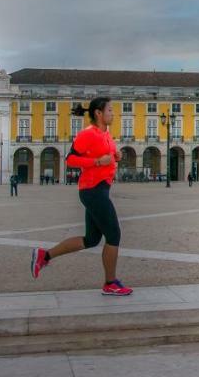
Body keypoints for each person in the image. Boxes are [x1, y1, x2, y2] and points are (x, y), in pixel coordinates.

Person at [30, 97, 132, 296]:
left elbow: (107, 157)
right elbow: (70, 160)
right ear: (98, 113)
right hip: (92, 189)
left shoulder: (106, 134)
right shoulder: (88, 134)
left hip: (100, 189)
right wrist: (96, 161)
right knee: (114, 234)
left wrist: (115, 156)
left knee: (92, 239)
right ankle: (110, 283)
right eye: (110, 110)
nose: (113, 113)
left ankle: (45, 255)